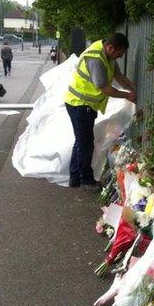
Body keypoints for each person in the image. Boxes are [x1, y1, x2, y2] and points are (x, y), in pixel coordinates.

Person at [65, 33, 136, 190]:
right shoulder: (96, 59)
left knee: (81, 141)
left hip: (81, 104)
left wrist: (132, 86)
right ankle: (86, 181)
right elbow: (104, 88)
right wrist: (127, 95)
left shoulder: (107, 55)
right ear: (110, 47)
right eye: (119, 53)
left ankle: (75, 178)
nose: (119, 57)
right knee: (86, 144)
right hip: (80, 104)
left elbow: (118, 75)